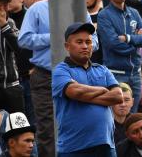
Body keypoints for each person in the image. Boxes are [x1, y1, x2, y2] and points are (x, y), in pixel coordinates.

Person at [18, 0, 98, 157]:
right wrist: (55, 37)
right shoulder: (37, 9)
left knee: (79, 124)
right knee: (48, 130)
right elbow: (24, 39)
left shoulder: (80, 9)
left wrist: (80, 43)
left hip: (77, 74)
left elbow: (95, 41)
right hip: (46, 76)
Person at [52, 22, 123, 157]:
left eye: (88, 42)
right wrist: (103, 89)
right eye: (79, 42)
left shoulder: (102, 69)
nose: (85, 46)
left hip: (106, 146)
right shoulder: (61, 70)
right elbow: (74, 92)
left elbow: (117, 96)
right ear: (67, 46)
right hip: (74, 148)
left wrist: (83, 94)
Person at [98, 0, 142, 112]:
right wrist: (137, 42)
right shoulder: (104, 15)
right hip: (116, 74)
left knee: (132, 117)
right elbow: (114, 44)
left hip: (136, 74)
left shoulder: (134, 13)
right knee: (117, 118)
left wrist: (128, 38)